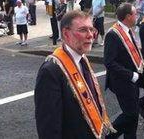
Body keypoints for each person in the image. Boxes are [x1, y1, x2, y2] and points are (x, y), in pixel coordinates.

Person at [35, 10, 115, 139]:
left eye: (91, 29)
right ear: (66, 34)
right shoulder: (51, 71)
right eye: (83, 30)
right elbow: (48, 128)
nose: (90, 35)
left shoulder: (82, 59)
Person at [104, 3, 144, 139]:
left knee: (133, 113)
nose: (137, 17)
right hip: (122, 81)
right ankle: (109, 136)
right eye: (135, 14)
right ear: (128, 16)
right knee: (130, 114)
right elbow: (109, 62)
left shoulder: (128, 29)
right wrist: (130, 74)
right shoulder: (113, 34)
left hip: (133, 79)